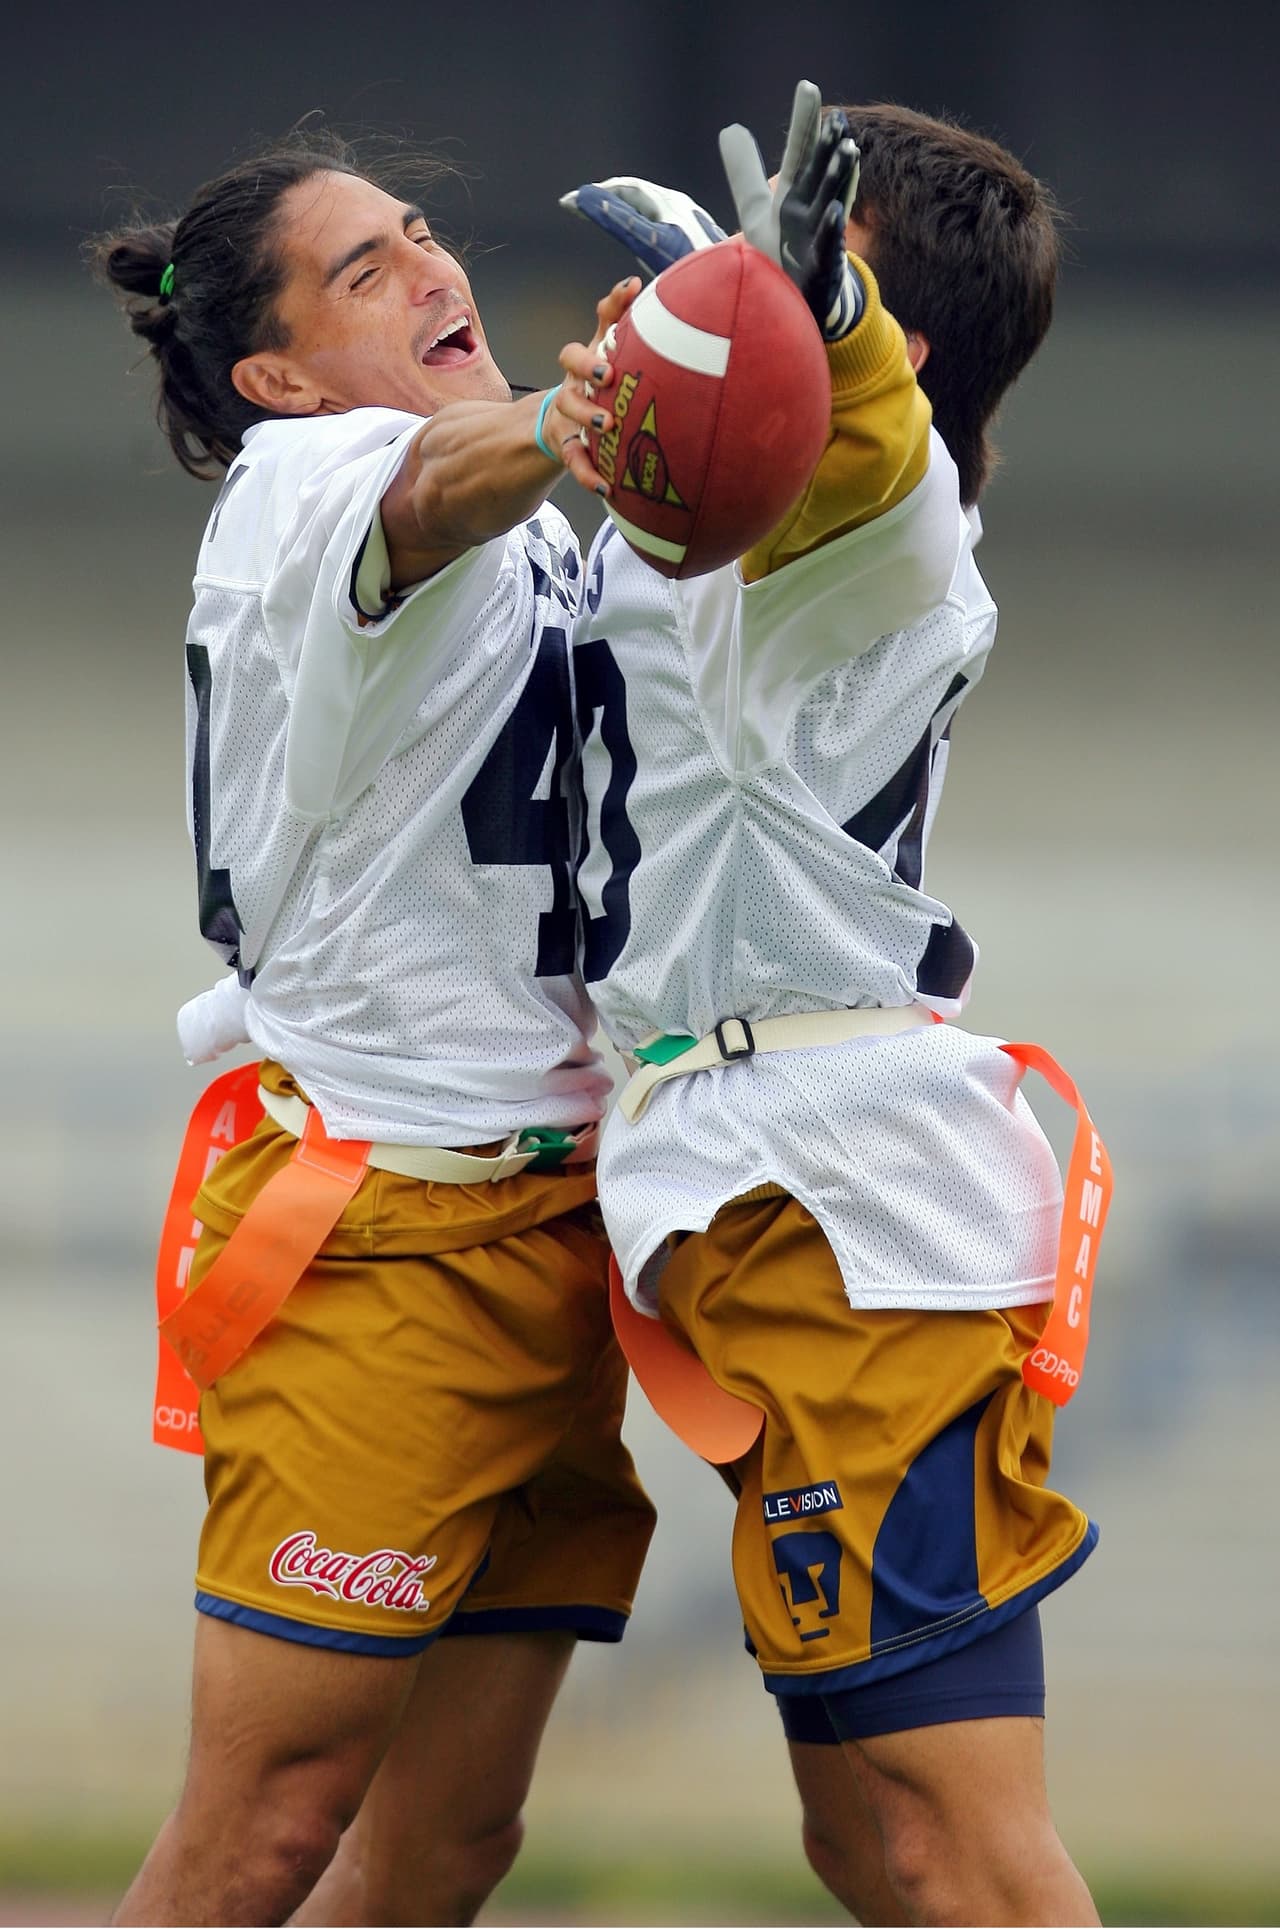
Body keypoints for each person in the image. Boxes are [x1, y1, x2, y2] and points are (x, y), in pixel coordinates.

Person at [91, 128, 660, 1928]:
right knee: (266, 1829)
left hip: (557, 1224)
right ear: (271, 374)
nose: (434, 270)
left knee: (447, 1845)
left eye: (425, 232)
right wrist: (621, 400)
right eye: (366, 269)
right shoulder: (306, 480)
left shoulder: (531, 507)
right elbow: (437, 489)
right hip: (384, 1226)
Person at [564, 90, 1102, 1926]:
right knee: (864, 1845)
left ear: (892, 337)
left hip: (857, 1224)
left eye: (813, 269)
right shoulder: (738, 539)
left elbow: (870, 445)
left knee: (959, 1848)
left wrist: (830, 331)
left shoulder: (897, 527)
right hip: (760, 1201)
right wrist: (679, 343)